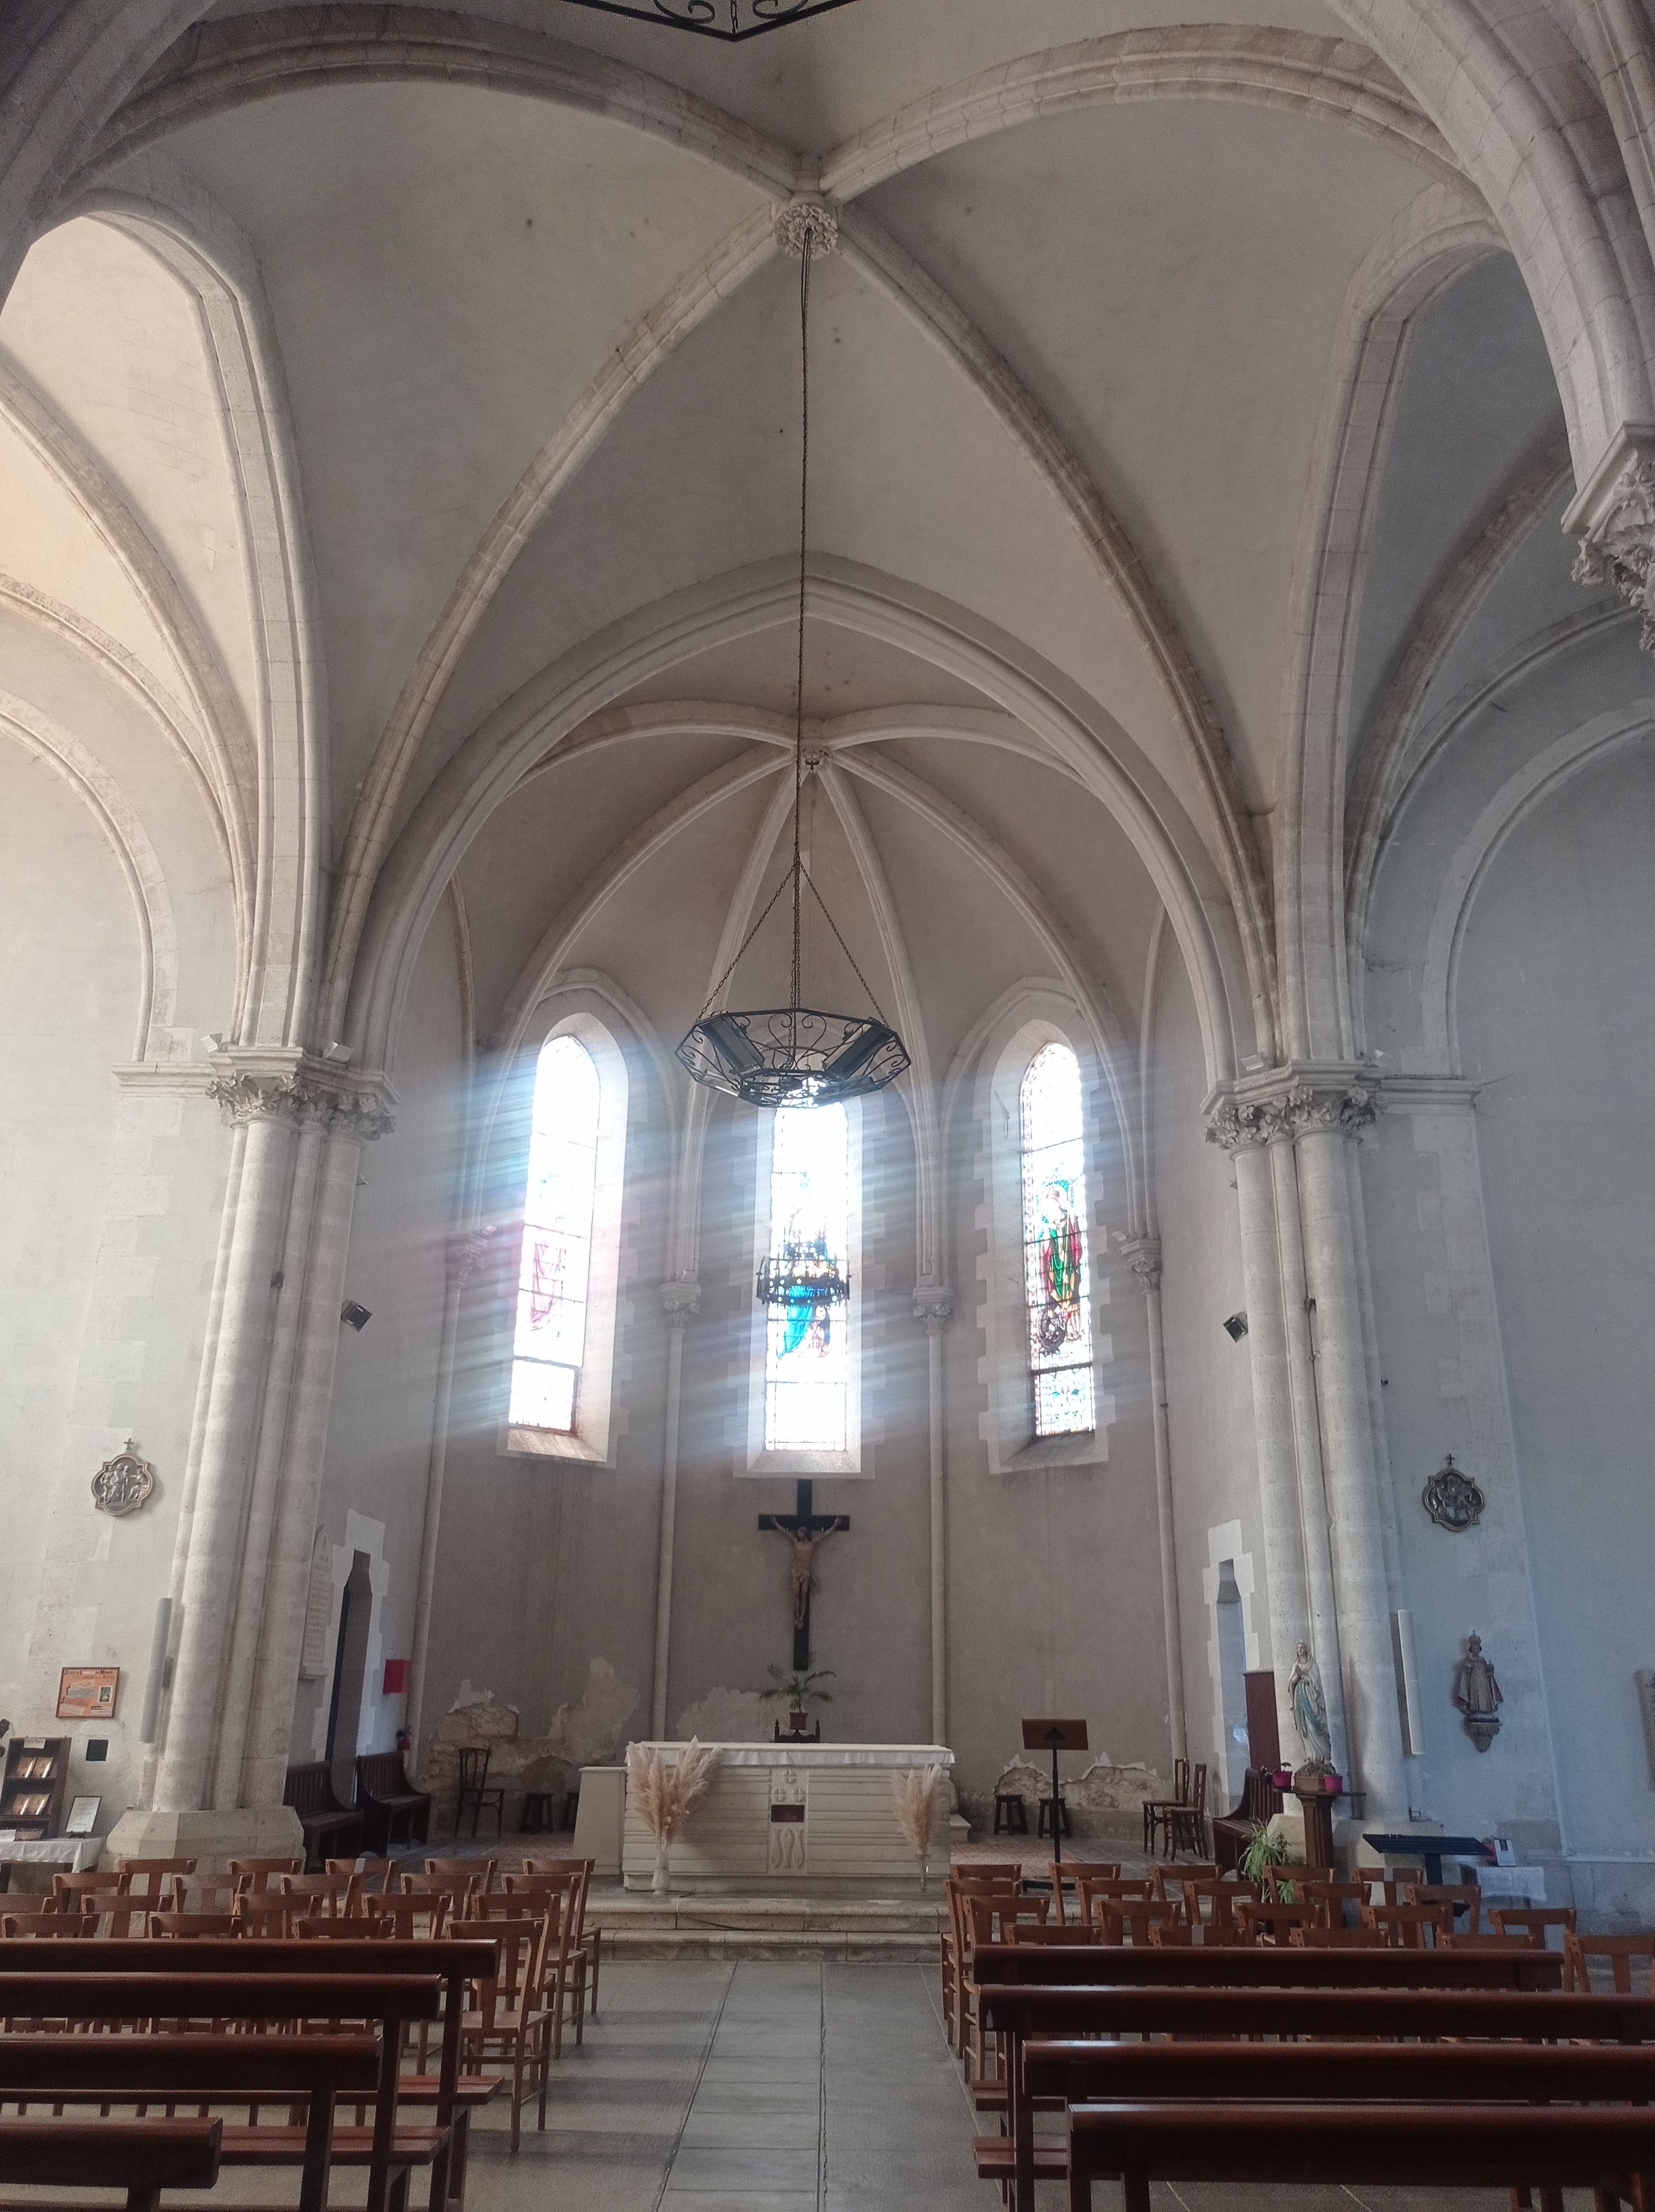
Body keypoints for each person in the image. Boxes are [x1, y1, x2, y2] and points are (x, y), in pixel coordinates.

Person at [1288, 1640, 1333, 1765]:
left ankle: (1323, 1755)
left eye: (1302, 1647)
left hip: (1311, 1696)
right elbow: (1291, 1684)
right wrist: (1297, 1677)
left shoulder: (1313, 1665)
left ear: (1306, 1649)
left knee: (1314, 1725)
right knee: (1304, 1727)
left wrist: (1306, 1678)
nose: (1300, 1650)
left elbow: (1317, 1683)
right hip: (1300, 1697)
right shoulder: (1295, 1666)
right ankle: (1310, 1756)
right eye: (1298, 1648)